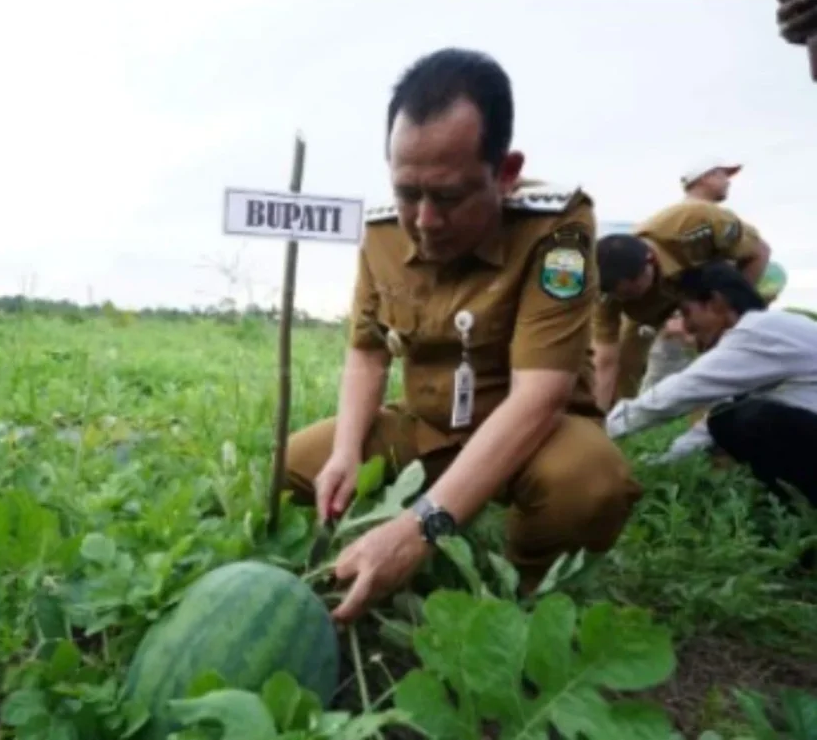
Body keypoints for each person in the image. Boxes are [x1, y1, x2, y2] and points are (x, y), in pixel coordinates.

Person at [282, 47, 643, 623]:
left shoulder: (556, 226)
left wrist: (421, 526)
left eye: (448, 196)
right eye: (407, 193)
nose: (424, 220)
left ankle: (520, 598)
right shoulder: (379, 234)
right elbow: (367, 352)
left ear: (505, 173)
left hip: (534, 433)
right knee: (295, 466)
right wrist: (349, 449)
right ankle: (333, 564)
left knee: (588, 483)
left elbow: (539, 396)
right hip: (427, 428)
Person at [606, 260, 817, 510]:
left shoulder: (758, 332)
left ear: (716, 304)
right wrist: (653, 465)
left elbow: (680, 392)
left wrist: (599, 430)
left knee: (747, 419)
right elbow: (710, 424)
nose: (685, 326)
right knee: (729, 419)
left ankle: (800, 507)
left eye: (687, 312)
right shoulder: (767, 333)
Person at [592, 164, 771, 410]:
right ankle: (617, 420)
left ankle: (755, 400)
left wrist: (727, 309)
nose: (626, 298)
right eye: (619, 295)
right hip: (657, 309)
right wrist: (597, 419)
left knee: (734, 340)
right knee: (626, 359)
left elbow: (759, 253)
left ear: (649, 263)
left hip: (713, 280)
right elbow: (605, 360)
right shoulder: (606, 294)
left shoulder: (699, 222)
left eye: (632, 291)